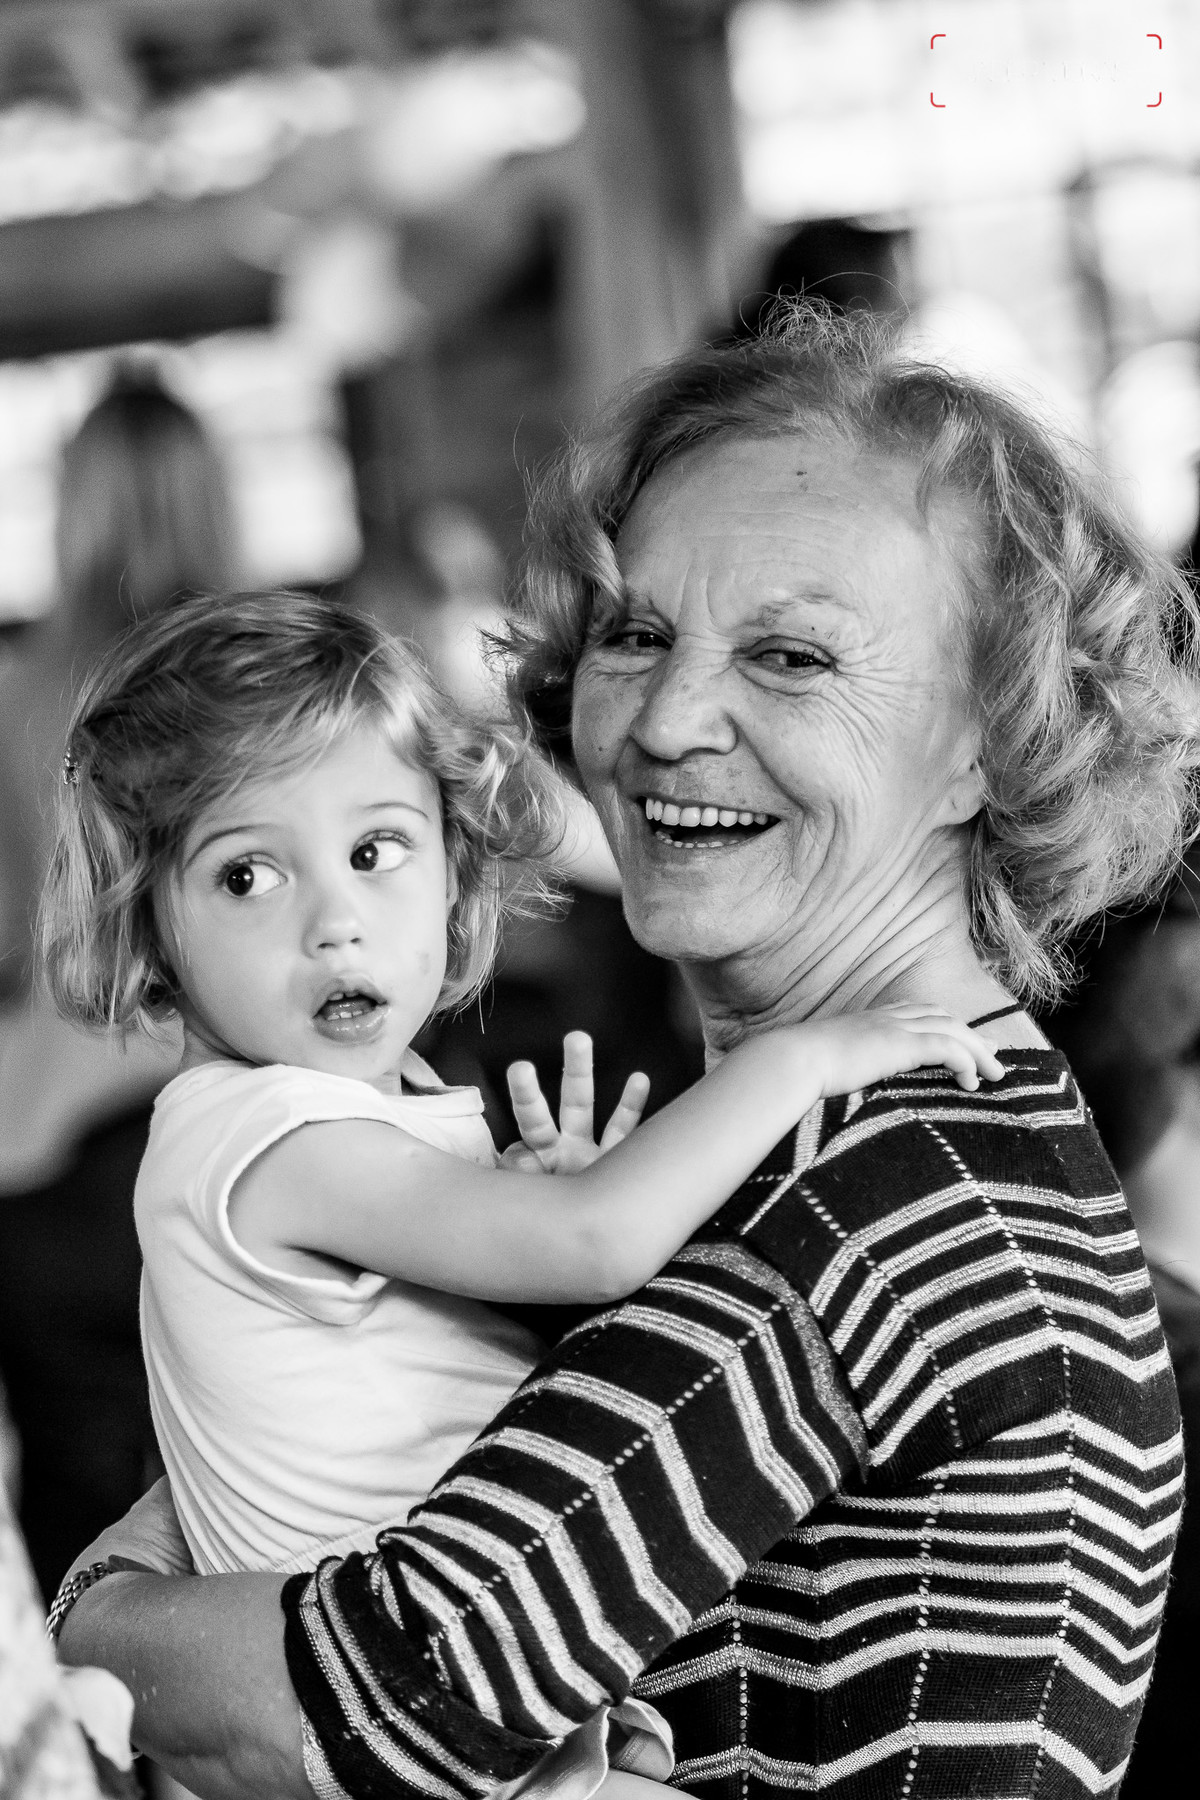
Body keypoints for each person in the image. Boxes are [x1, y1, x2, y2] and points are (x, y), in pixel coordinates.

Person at [54, 307, 1198, 1800]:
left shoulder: (854, 1203)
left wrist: (105, 1613)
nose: (666, 720)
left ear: (997, 732)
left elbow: (374, 1704)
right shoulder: (921, 1122)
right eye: (638, 633)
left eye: (790, 656)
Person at [43, 590, 998, 1796]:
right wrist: (798, 1059)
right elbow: (598, 1245)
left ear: (454, 869)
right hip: (393, 1734)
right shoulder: (262, 1135)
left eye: (376, 851)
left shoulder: (357, 1117)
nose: (335, 921)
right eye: (247, 877)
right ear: (151, 933)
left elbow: (488, 1352)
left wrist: (521, 1248)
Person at [0, 365, 233, 1600]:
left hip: (49, 1150)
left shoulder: (17, 695)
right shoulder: (273, 685)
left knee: (86, 1529)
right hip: (238, 1120)